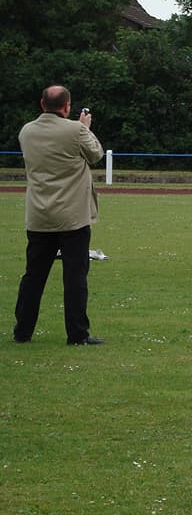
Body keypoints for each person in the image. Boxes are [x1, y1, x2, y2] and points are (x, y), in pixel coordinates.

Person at [14, 85, 105, 345]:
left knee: (33, 275)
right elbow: (95, 154)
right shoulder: (76, 130)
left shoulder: (27, 131)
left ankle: (23, 331)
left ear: (42, 104)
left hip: (39, 215)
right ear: (67, 106)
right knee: (75, 276)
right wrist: (84, 126)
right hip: (72, 216)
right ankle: (77, 334)